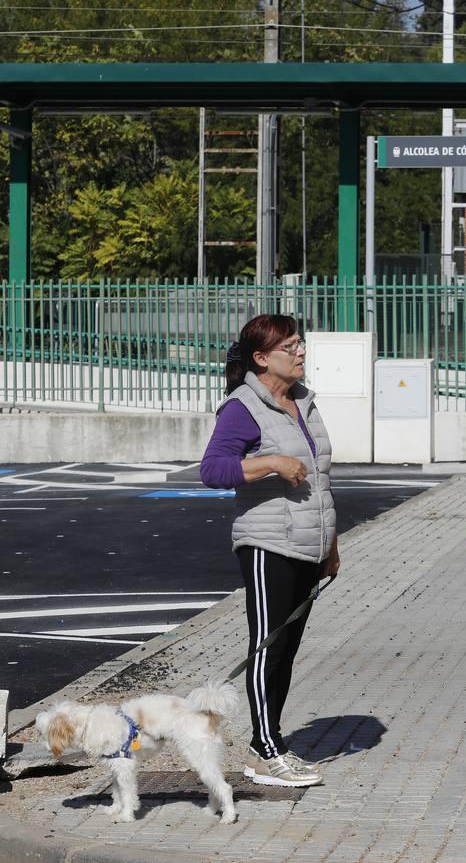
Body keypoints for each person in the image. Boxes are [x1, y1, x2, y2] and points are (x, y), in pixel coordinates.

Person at [200, 314, 341, 788]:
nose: (300, 352)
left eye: (301, 344)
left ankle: (274, 740)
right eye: (290, 347)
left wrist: (331, 546)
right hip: (266, 544)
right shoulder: (242, 407)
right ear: (262, 359)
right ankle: (264, 749)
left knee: (288, 649)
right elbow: (213, 469)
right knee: (267, 647)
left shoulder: (304, 402)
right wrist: (272, 463)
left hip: (307, 544)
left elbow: (321, 479)